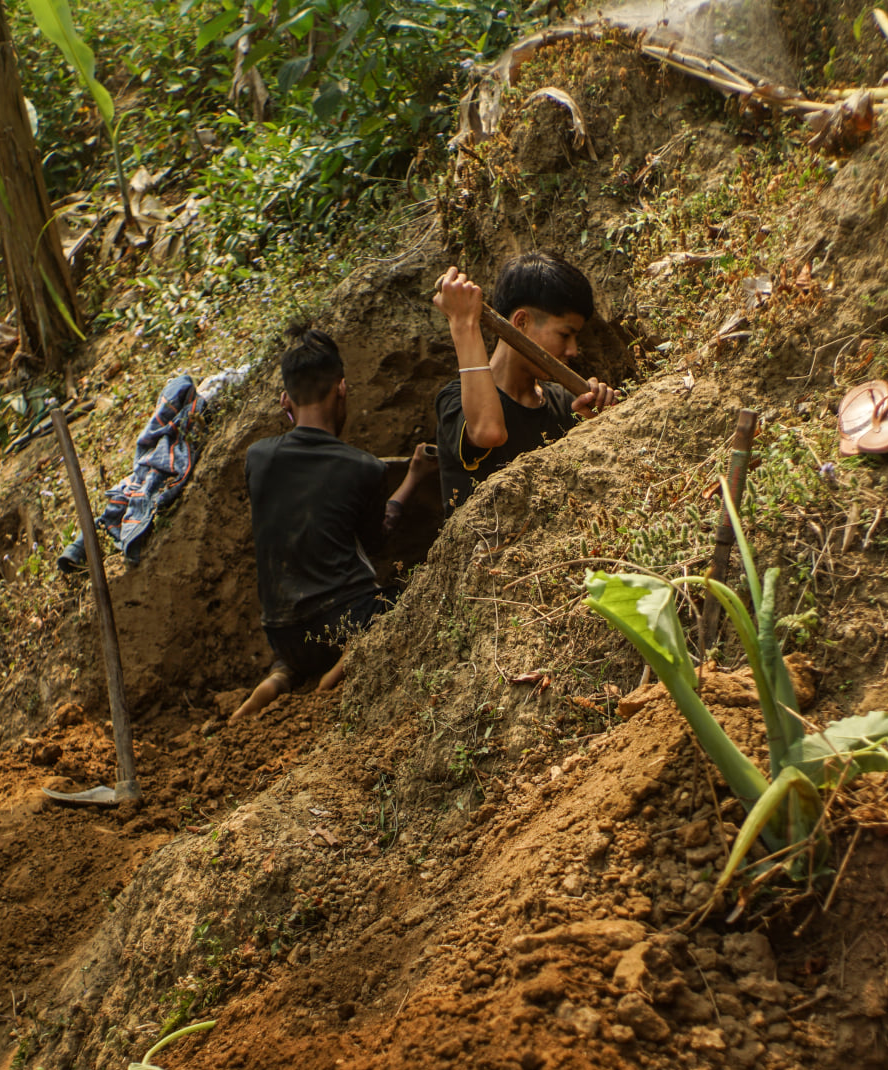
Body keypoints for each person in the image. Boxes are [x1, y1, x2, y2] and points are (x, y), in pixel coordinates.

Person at [231, 328, 434, 722]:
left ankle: (282, 675)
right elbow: (376, 541)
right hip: (345, 624)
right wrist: (413, 477)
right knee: (410, 596)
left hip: (283, 634)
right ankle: (343, 665)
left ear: (285, 400)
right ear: (342, 389)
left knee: (296, 645)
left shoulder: (257, 457)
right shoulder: (364, 467)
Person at [430, 251, 619, 513]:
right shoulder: (454, 399)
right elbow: (489, 432)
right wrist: (463, 323)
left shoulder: (566, 403)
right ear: (521, 322)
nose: (573, 350)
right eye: (565, 334)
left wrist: (600, 424)